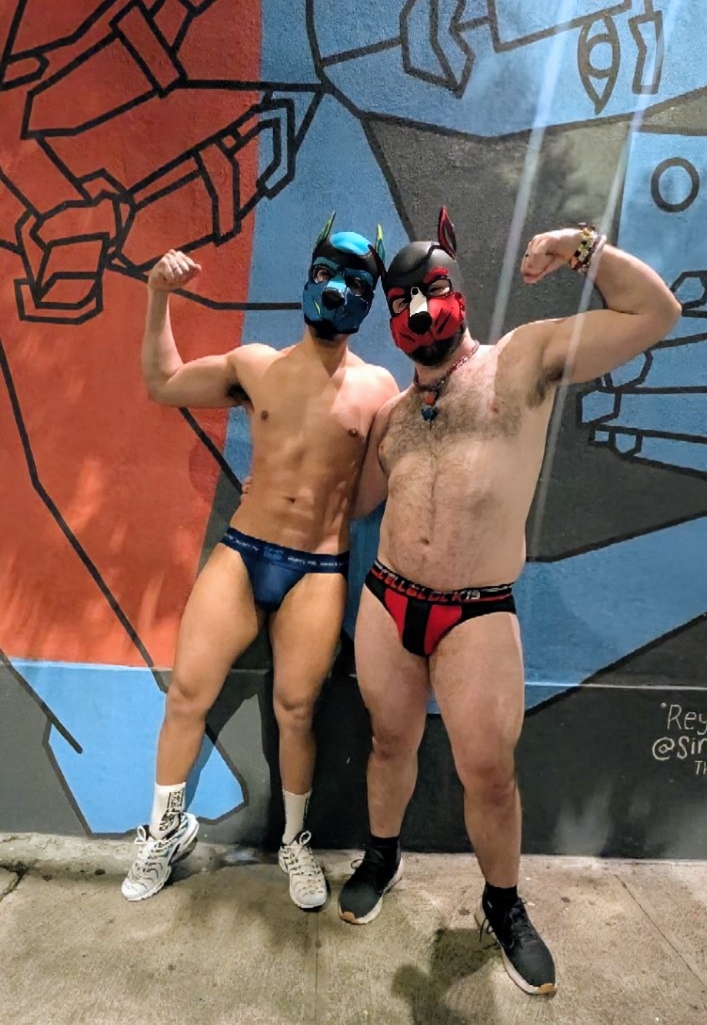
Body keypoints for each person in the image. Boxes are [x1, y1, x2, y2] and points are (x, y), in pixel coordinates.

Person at [337, 209, 681, 994]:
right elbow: (351, 503)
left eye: (428, 291)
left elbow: (654, 313)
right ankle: (382, 857)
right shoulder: (392, 414)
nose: (417, 310)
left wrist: (580, 248)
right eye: (401, 301)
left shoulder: (519, 361)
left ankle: (501, 903)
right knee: (388, 743)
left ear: (454, 289)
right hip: (388, 599)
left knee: (489, 772)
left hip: (476, 611)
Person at [121, 215, 398, 909]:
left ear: (369, 299)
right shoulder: (256, 366)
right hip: (244, 552)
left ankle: (294, 843)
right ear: (308, 277)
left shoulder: (378, 389)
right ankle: (164, 830)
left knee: (296, 710)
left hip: (319, 568)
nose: (337, 291)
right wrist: (157, 294)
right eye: (327, 273)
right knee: (187, 693)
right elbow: (163, 382)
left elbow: (369, 495)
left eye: (355, 282)